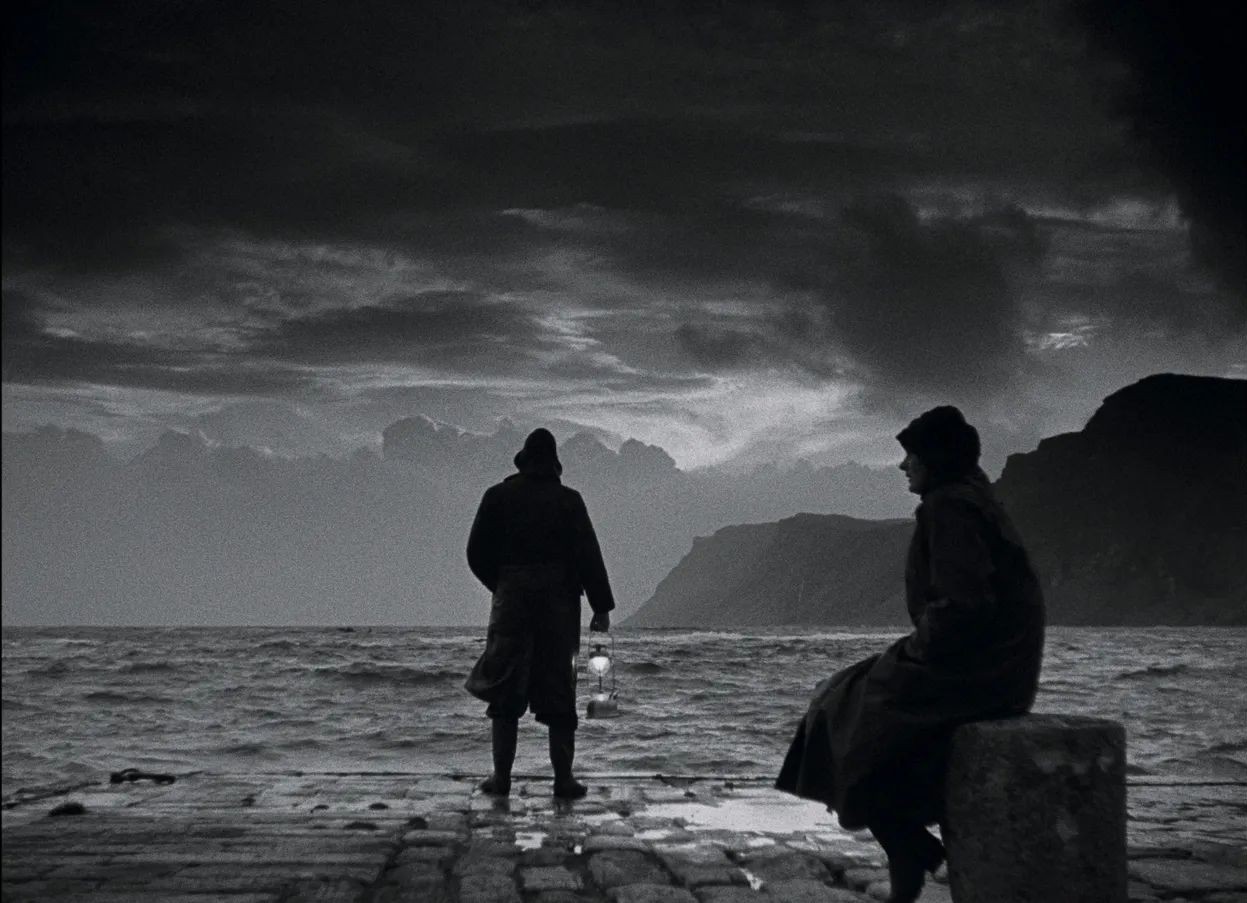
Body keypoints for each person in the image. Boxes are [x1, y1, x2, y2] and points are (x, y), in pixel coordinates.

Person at [776, 406, 1045, 903]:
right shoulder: (973, 499)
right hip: (997, 667)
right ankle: (907, 847)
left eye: (911, 456)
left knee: (839, 712)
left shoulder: (950, 507)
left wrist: (916, 651)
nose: (903, 466)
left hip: (975, 670)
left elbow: (963, 606)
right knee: (845, 700)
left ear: (933, 460)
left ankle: (909, 847)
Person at [465, 428, 614, 800]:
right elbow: (588, 555)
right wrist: (601, 607)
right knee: (559, 690)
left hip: (511, 603)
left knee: (504, 691)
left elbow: (476, 552)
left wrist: (502, 585)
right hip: (559, 606)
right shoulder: (569, 501)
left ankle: (501, 779)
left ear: (523, 460)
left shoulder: (497, 497)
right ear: (554, 464)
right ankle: (563, 780)